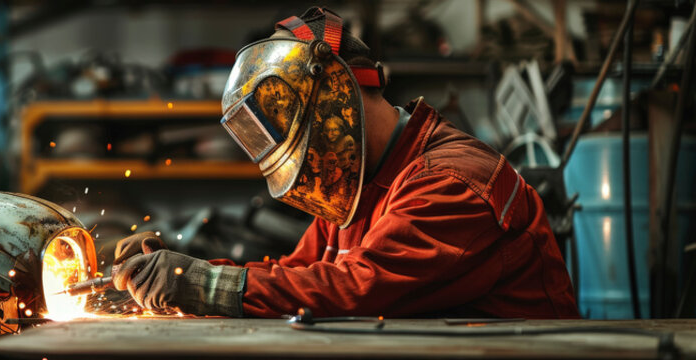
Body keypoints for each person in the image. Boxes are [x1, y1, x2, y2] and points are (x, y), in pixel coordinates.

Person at [111, 7, 579, 319]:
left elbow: (355, 290)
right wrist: (182, 274)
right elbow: (297, 276)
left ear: (337, 95)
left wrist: (209, 285)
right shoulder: (356, 185)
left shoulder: (452, 183)